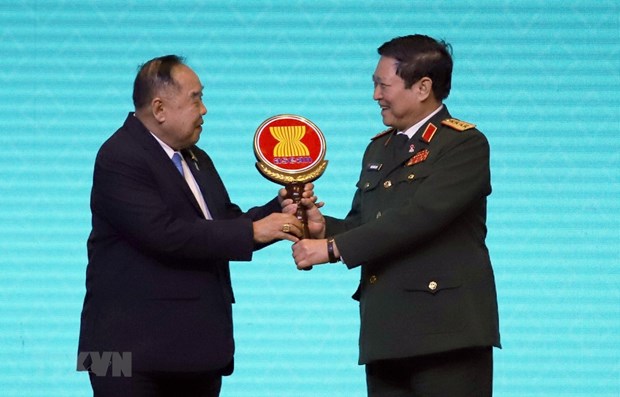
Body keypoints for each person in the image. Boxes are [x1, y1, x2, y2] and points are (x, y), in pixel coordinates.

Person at [77, 54, 313, 396]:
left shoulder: (196, 157)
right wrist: (251, 232)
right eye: (196, 99)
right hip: (120, 352)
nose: (204, 110)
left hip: (193, 350)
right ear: (159, 109)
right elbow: (164, 233)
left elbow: (223, 222)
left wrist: (280, 209)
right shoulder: (119, 155)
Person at [292, 35, 501, 396]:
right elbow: (366, 224)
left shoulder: (464, 144)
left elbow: (418, 217)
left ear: (422, 88)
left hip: (446, 335)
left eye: (382, 84)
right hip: (385, 335)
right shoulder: (380, 147)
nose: (376, 95)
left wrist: (331, 249)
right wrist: (321, 227)